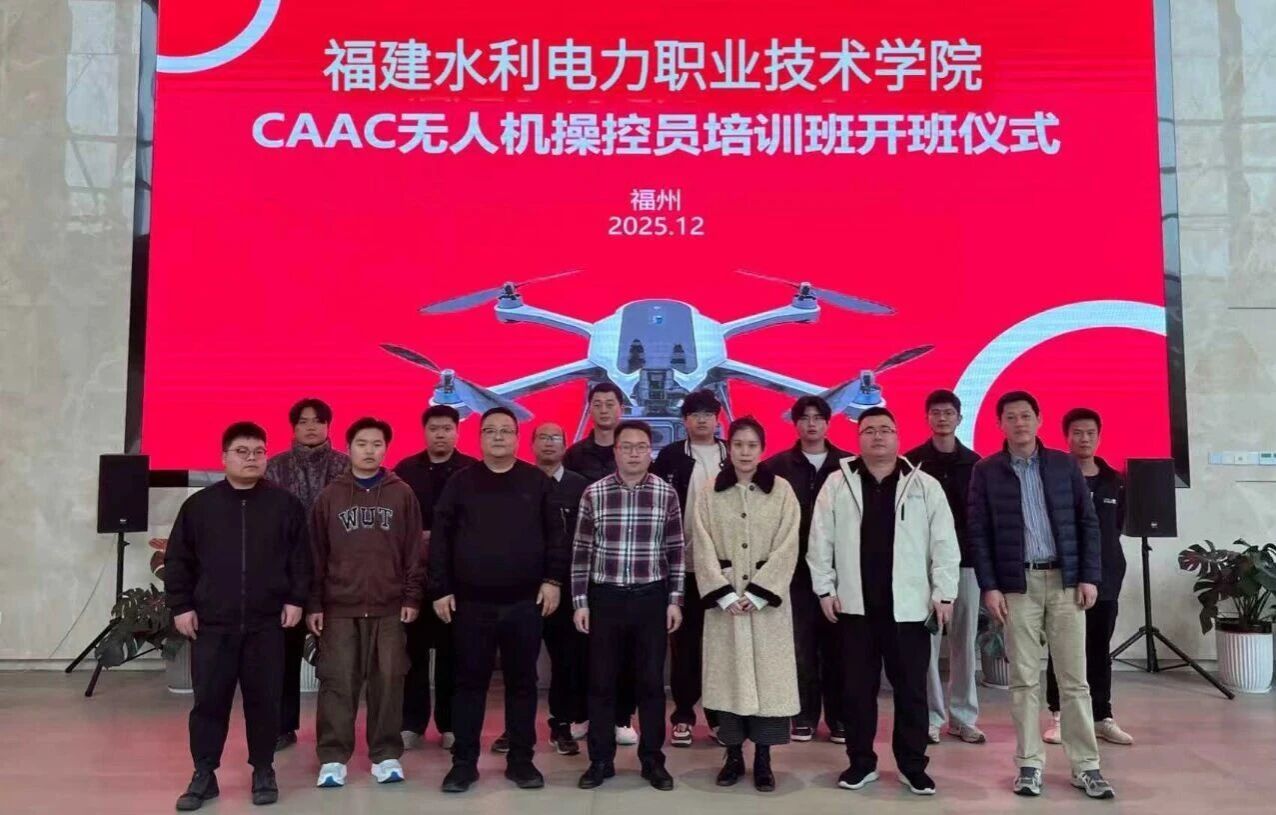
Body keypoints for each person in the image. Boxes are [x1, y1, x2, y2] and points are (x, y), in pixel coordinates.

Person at [968, 391, 1114, 800]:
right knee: (1023, 680)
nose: (1019, 423)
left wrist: (1089, 577)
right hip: (1018, 587)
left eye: (1026, 415)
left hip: (1065, 583)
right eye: (1011, 417)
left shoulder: (1064, 465)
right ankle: (1029, 764)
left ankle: (1087, 766)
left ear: (1039, 419)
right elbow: (978, 533)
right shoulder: (986, 471)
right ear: (1000, 424)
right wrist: (990, 585)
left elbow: (1087, 524)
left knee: (1075, 680)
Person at [808, 407, 960, 796]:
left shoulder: (924, 485)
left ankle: (913, 766)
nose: (878, 436)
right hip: (854, 608)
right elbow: (819, 541)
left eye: (885, 430)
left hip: (909, 609)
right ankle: (861, 763)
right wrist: (824, 589)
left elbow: (944, 544)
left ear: (897, 436)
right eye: (869, 430)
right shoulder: (837, 484)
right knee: (857, 691)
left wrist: (944, 594)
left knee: (912, 692)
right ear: (858, 438)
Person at [167, 422, 311, 811]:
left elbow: (301, 559)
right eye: (242, 452)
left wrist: (296, 599)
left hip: (267, 624)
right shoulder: (200, 507)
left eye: (259, 452)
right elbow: (178, 560)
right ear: (224, 458)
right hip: (213, 624)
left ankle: (263, 769)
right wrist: (181, 606)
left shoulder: (285, 505)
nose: (252, 458)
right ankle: (204, 774)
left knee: (264, 701)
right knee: (208, 703)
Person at [429, 408, 570, 793]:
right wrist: (440, 588)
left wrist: (553, 580)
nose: (498, 437)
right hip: (470, 604)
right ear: (479, 438)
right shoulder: (461, 482)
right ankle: (463, 764)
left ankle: (521, 761)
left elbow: (557, 536)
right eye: (490, 430)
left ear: (517, 438)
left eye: (505, 431)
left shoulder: (536, 482)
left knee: (523, 683)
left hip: (525, 603)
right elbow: (440, 539)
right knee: (468, 684)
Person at [307, 417, 425, 789]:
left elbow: (414, 550)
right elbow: (315, 554)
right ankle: (332, 757)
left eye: (377, 444)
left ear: (386, 449)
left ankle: (386, 754)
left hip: (389, 607)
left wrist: (412, 595)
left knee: (388, 681)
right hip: (340, 608)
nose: (369, 451)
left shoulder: (401, 494)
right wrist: (314, 603)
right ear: (349, 449)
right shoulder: (330, 496)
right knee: (337, 683)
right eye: (362, 444)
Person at [572, 420, 685, 791]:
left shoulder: (666, 493)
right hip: (605, 598)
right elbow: (582, 552)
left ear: (650, 452)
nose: (634, 453)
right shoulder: (594, 493)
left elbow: (676, 552)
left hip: (651, 598)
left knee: (651, 684)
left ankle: (653, 761)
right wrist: (580, 602)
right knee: (601, 683)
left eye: (641, 447)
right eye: (627, 446)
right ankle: (600, 761)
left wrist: (675, 600)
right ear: (615, 451)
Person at [692, 416, 800, 792]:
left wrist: (758, 592)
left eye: (752, 445)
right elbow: (702, 544)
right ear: (729, 448)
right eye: (738, 444)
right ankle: (733, 756)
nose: (745, 452)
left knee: (769, 681)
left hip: (767, 606)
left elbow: (789, 544)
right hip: (726, 605)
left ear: (763, 449)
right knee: (728, 679)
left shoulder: (781, 491)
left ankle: (764, 759)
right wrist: (723, 592)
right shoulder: (710, 491)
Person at [264, 397, 350, 752]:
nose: (310, 427)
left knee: (339, 659)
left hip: (338, 574)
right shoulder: (274, 468)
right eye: (303, 421)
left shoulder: (346, 466)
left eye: (317, 421)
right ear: (293, 427)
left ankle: (337, 733)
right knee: (282, 655)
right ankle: (282, 726)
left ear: (328, 425)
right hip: (287, 576)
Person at [1044, 408, 1131, 746]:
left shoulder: (1114, 481)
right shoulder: (1056, 479)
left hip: (1106, 577)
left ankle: (1101, 716)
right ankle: (1060, 715)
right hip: (1064, 576)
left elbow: (1116, 525)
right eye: (1077, 433)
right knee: (1062, 647)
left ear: (1098, 437)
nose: (1084, 439)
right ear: (1066, 437)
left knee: (1098, 648)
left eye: (1090, 433)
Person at [905, 389, 986, 745]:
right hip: (924, 566)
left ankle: (963, 717)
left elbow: (982, 518)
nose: (942, 418)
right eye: (936, 412)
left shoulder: (976, 464)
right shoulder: (911, 463)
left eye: (948, 413)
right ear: (927, 418)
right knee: (927, 645)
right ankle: (932, 718)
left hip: (966, 565)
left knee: (964, 643)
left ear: (959, 418)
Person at [765, 395, 848, 744]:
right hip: (794, 571)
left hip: (840, 571)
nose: (811, 424)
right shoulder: (776, 466)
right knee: (801, 646)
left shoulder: (848, 465)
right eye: (804, 418)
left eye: (818, 418)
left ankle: (840, 718)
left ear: (828, 423)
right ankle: (803, 716)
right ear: (795, 423)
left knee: (839, 648)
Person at [394, 404, 476, 752]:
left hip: (455, 579)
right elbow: (395, 520)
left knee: (451, 655)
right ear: (424, 432)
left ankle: (449, 724)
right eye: (434, 428)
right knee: (410, 654)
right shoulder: (404, 470)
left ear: (457, 432)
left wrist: (442, 540)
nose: (440, 434)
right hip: (412, 578)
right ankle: (411, 724)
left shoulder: (471, 470)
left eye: (447, 429)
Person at [562, 381, 639, 744]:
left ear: (622, 408)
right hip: (590, 565)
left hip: (632, 564)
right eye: (598, 403)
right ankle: (582, 715)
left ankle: (622, 717)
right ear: (589, 409)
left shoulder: (633, 451)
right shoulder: (575, 455)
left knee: (627, 650)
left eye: (611, 403)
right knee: (584, 647)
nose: (604, 409)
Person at [652, 389, 727, 747]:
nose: (701, 420)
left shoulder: (731, 455)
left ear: (718, 419)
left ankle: (719, 717)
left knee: (719, 646)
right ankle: (683, 716)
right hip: (683, 568)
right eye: (695, 414)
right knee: (684, 647)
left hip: (725, 570)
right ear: (684, 421)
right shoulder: (670, 456)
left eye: (708, 414)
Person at [531, 422, 590, 756]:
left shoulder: (580, 487)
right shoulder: (520, 480)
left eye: (556, 437)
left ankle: (562, 723)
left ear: (566, 445)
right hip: (524, 585)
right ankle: (516, 728)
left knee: (566, 661)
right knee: (521, 661)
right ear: (531, 444)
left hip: (565, 587)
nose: (549, 443)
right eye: (543, 437)